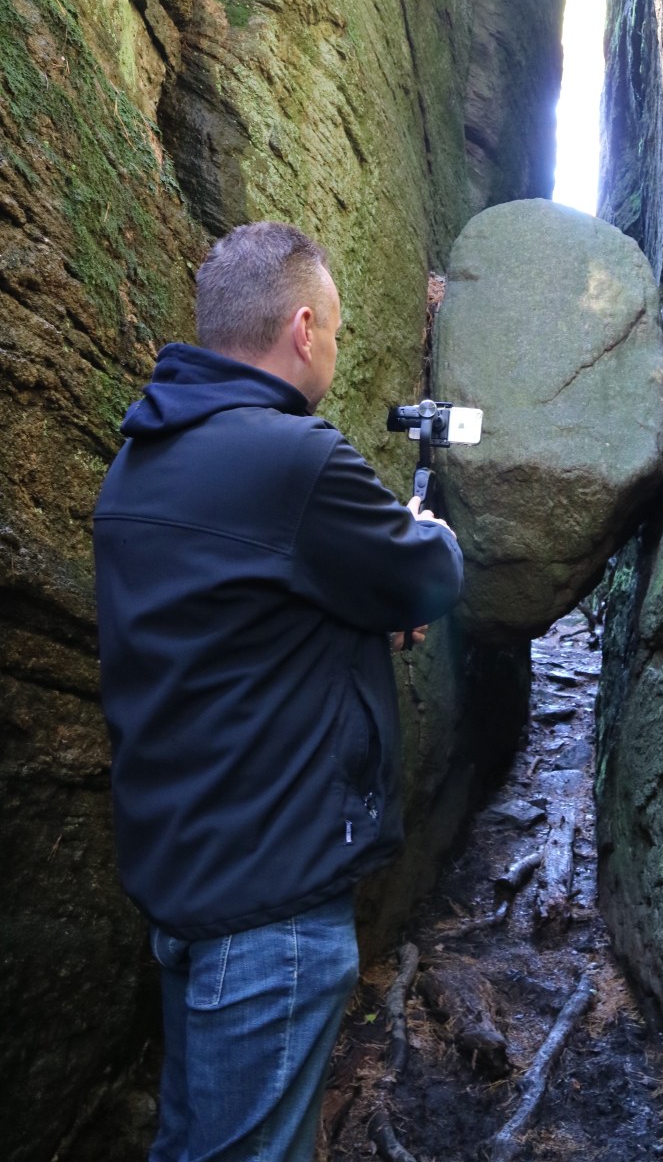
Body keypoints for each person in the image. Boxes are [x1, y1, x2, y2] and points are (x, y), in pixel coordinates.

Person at [93, 221, 463, 1162]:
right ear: (303, 329)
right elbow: (430, 574)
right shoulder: (293, 461)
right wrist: (422, 532)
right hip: (270, 916)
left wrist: (347, 607)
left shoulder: (138, 463)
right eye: (334, 332)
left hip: (185, 890)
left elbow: (233, 630)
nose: (334, 351)